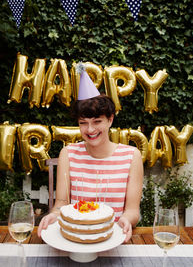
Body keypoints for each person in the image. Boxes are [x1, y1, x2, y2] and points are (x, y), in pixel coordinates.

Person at [37, 64, 143, 243]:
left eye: (97, 121)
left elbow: (132, 210)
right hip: (75, 239)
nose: (90, 129)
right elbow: (61, 203)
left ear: (110, 120)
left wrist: (127, 220)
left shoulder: (132, 156)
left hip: (114, 238)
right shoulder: (68, 154)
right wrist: (53, 215)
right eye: (83, 122)